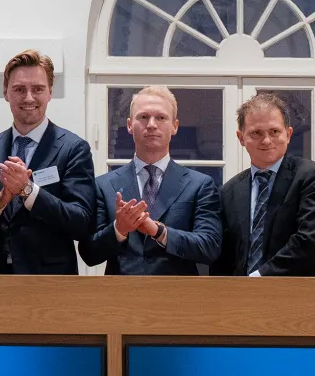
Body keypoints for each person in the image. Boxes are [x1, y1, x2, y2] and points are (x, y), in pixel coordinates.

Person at [78, 86, 220, 275]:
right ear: (129, 125)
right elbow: (88, 253)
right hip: (120, 299)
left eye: (161, 118)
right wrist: (118, 229)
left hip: (179, 299)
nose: (152, 124)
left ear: (175, 126)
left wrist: (159, 232)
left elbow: (209, 248)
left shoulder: (200, 185)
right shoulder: (104, 185)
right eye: (143, 117)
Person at [0, 50, 96, 274]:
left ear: (50, 92)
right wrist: (1, 200)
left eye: (38, 89)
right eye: (19, 89)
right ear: (6, 93)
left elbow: (81, 222)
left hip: (50, 281)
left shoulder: (73, 149)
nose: (29, 97)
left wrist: (28, 190)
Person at [213, 93, 315, 277]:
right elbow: (224, 254)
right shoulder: (229, 191)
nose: (266, 140)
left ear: (289, 134)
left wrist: (259, 277)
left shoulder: (309, 176)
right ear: (241, 138)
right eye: (256, 133)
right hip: (240, 297)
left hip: (297, 295)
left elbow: (309, 239)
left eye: (274, 131)